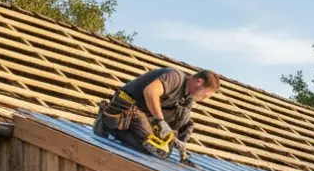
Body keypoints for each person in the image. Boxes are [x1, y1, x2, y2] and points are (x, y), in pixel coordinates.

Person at [93, 67, 221, 160]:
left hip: (141, 114)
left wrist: (176, 141)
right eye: (204, 95)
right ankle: (106, 124)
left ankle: (118, 129)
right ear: (199, 82)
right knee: (153, 147)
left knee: (165, 152)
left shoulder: (186, 98)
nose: (202, 99)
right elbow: (150, 92)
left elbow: (180, 122)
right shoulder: (175, 77)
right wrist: (160, 120)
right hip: (127, 107)